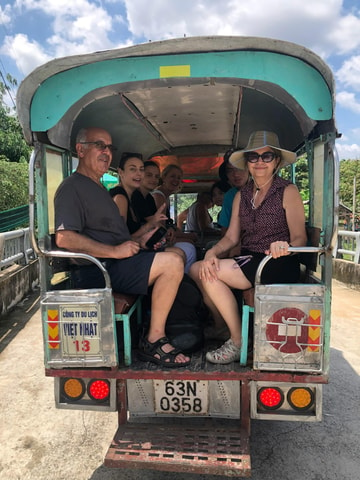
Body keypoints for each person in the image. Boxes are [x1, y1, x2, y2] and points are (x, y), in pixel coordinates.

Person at [54, 127, 190, 367]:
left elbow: (112, 236)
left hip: (115, 263)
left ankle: (157, 323)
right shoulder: (71, 187)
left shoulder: (99, 189)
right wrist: (115, 252)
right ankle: (154, 339)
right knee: (173, 263)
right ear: (81, 149)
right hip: (99, 270)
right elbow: (65, 239)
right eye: (100, 145)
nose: (107, 152)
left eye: (109, 147)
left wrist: (138, 241)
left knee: (177, 252)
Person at [190, 130, 307, 364]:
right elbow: (232, 237)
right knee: (198, 269)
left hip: (278, 261)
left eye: (267, 157)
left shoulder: (287, 190)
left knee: (209, 273)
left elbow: (300, 238)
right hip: (251, 259)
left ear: (276, 161)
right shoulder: (241, 195)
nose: (260, 162)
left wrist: (285, 245)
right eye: (253, 157)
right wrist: (212, 252)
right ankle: (229, 331)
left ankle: (237, 340)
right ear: (248, 163)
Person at [110, 154, 186, 263]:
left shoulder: (135, 197)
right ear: (121, 172)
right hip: (120, 258)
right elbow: (119, 241)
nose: (138, 174)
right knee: (176, 256)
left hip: (133, 248)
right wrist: (147, 230)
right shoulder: (120, 198)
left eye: (141, 170)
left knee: (179, 253)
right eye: (133, 169)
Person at [151, 164, 197, 273]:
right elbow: (161, 230)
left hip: (161, 237)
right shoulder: (159, 196)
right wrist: (187, 235)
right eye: (172, 176)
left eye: (179, 178)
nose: (176, 180)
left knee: (190, 241)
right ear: (164, 177)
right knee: (189, 246)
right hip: (156, 240)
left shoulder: (165, 197)